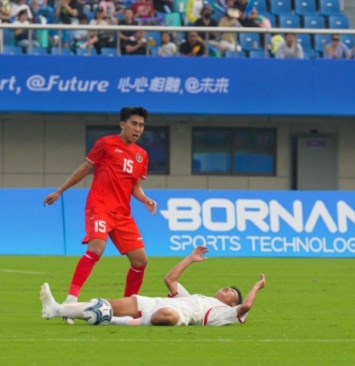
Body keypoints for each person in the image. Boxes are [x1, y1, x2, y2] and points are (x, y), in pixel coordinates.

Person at [43, 107, 157, 324]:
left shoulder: (142, 155)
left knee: (141, 261)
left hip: (123, 214)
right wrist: (60, 190)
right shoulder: (106, 143)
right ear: (122, 124)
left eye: (141, 125)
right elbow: (85, 168)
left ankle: (127, 306)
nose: (138, 129)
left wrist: (146, 200)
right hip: (100, 206)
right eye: (134, 124)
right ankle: (70, 301)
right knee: (96, 248)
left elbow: (136, 188)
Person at [40, 246, 267, 326]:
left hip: (179, 315)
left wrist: (257, 286)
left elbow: (246, 307)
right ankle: (56, 310)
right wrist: (190, 258)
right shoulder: (196, 295)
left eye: (232, 293)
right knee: (105, 304)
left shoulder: (225, 313)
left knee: (166, 315)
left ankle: (119, 322)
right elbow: (170, 280)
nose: (228, 289)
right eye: (227, 287)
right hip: (155, 303)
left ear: (232, 304)